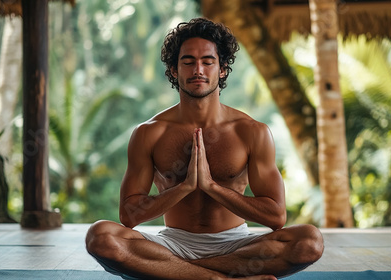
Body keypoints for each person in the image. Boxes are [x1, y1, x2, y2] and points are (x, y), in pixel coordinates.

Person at [86, 17, 324, 280]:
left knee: (309, 241)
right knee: (101, 237)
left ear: (222, 69)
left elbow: (276, 216)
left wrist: (212, 186)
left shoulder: (251, 131)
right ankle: (218, 278)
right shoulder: (149, 133)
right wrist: (184, 187)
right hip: (172, 244)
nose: (197, 69)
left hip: (235, 246)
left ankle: (182, 275)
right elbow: (128, 216)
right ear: (174, 70)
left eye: (207, 62)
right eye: (188, 61)